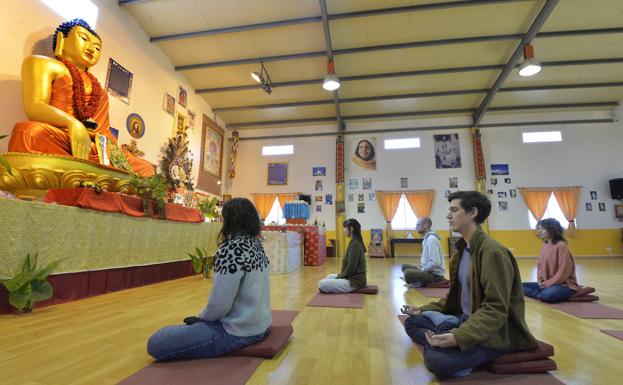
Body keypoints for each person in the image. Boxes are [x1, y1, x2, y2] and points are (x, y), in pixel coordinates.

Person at [402, 191, 537, 379]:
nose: (448, 215)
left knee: (436, 361)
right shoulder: (461, 251)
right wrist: (423, 310)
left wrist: (459, 337)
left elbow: (496, 309)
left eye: (454, 210)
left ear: (472, 212)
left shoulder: (492, 253)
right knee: (412, 322)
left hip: (494, 332)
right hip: (463, 318)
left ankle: (450, 342)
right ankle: (447, 337)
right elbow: (455, 296)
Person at [7, 19, 153, 176]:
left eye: (97, 48)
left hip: (92, 147)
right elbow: (34, 107)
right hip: (60, 137)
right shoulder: (44, 64)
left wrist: (112, 150)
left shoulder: (100, 92)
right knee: (27, 132)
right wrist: (73, 124)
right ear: (62, 40)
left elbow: (103, 131)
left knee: (146, 169)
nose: (91, 48)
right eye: (83, 38)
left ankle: (92, 173)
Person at [147, 198, 271, 361]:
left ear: (229, 221)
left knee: (157, 342)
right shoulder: (256, 244)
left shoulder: (231, 249)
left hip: (237, 331)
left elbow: (219, 304)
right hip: (260, 325)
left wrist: (202, 319)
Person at [522, 218, 579, 303]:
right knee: (519, 287)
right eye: (539, 229)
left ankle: (541, 295)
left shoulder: (561, 246)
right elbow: (540, 266)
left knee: (548, 294)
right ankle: (540, 294)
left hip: (563, 284)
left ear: (552, 230)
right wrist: (541, 282)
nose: (540, 231)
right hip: (547, 284)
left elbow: (563, 272)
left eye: (543, 229)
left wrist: (546, 284)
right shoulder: (544, 245)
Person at [318, 218, 367, 293]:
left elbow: (351, 268)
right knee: (329, 276)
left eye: (345, 227)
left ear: (351, 228)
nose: (343, 230)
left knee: (321, 284)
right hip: (349, 277)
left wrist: (339, 276)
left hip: (354, 282)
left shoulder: (355, 244)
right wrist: (340, 276)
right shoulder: (354, 242)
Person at [401, 218, 445, 287]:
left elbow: (435, 262)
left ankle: (419, 282)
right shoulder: (426, 239)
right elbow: (427, 260)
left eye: (418, 225)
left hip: (435, 275)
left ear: (425, 225)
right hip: (427, 270)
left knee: (407, 273)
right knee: (404, 267)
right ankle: (419, 280)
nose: (415, 227)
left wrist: (422, 269)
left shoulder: (431, 239)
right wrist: (421, 267)